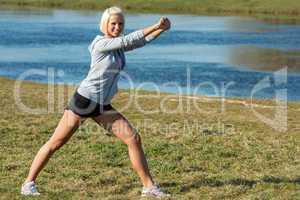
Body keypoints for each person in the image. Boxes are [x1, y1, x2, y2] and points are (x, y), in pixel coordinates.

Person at [21, 6, 171, 198]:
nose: (117, 27)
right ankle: (28, 183)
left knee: (133, 138)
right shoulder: (100, 43)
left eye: (120, 24)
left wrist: (162, 29)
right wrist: (155, 25)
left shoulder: (117, 46)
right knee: (55, 143)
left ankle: (149, 187)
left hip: (101, 105)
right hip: (84, 101)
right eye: (113, 24)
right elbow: (129, 39)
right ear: (105, 24)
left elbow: (139, 42)